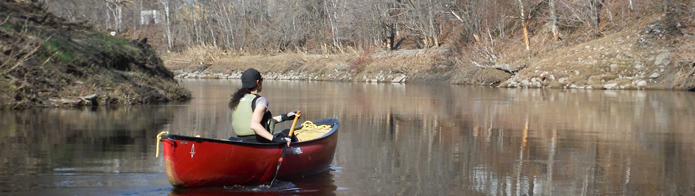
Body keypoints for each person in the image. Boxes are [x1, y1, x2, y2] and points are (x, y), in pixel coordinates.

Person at [229, 68, 299, 146]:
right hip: (258, 142)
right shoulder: (261, 100)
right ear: (258, 82)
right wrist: (275, 139)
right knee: (287, 133)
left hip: (240, 140)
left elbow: (261, 121)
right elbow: (254, 125)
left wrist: (285, 117)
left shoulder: (238, 99)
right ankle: (297, 152)